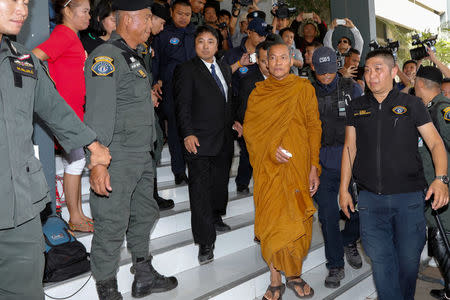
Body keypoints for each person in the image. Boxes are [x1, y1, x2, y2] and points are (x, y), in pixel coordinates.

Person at [0, 0, 111, 298]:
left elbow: (55, 109)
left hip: (19, 213)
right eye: (11, 0)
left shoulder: (21, 60)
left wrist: (93, 145)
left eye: (25, 2)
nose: (22, 9)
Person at [83, 1, 178, 299]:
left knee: (144, 213)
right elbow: (98, 113)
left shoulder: (133, 56)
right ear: (129, 20)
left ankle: (144, 275)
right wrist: (97, 162)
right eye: (148, 18)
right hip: (117, 156)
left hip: (140, 154)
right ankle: (107, 289)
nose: (151, 24)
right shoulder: (106, 57)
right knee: (111, 222)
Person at [340, 49, 449, 300]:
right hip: (370, 202)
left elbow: (435, 143)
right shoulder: (357, 106)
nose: (371, 75)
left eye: (378, 69)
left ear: (392, 71)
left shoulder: (411, 105)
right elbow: (349, 148)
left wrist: (441, 179)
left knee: (409, 264)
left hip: (409, 201)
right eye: (367, 70)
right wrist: (343, 188)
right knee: (381, 264)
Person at [244, 42, 322, 300]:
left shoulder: (303, 88)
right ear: (264, 62)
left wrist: (314, 166)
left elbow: (313, 127)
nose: (277, 63)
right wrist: (269, 150)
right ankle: (275, 278)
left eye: (282, 58)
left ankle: (294, 274)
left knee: (297, 220)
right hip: (269, 171)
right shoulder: (258, 93)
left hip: (298, 167)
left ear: (291, 61)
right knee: (272, 222)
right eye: (271, 58)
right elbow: (251, 134)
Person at [174, 25, 233, 265]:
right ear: (194, 44)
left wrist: (236, 121)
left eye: (211, 41)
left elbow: (229, 99)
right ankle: (205, 242)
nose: (206, 45)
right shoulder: (186, 70)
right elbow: (182, 104)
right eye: (201, 41)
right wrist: (187, 133)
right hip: (197, 140)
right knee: (199, 191)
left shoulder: (225, 68)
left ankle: (216, 217)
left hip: (224, 139)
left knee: (219, 184)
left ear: (218, 46)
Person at [33, 0, 93, 232]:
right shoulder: (64, 35)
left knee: (76, 161)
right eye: (85, 11)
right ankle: (75, 217)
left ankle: (77, 214)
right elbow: (34, 57)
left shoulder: (72, 36)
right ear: (67, 10)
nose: (89, 16)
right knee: (77, 161)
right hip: (67, 112)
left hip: (76, 110)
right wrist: (48, 89)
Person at [310, 47, 363, 289]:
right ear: (313, 69)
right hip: (322, 162)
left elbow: (365, 123)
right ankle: (335, 264)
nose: (326, 76)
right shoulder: (307, 92)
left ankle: (349, 240)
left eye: (330, 71)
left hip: (352, 158)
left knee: (361, 210)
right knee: (328, 214)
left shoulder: (352, 88)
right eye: (321, 72)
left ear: (337, 66)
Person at [414, 66, 450, 300]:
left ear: (419, 83)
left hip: (443, 186)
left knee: (442, 239)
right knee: (439, 239)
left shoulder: (442, 108)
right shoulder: (427, 109)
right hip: (432, 185)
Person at [152, 0, 196, 185]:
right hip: (171, 89)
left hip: (194, 89)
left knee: (194, 129)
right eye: (180, 13)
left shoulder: (196, 34)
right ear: (172, 12)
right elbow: (156, 61)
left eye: (187, 14)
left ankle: (195, 167)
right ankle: (179, 171)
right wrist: (155, 81)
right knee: (176, 131)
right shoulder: (163, 34)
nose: (184, 17)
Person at [223, 17, 268, 194]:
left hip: (260, 110)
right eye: (259, 34)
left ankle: (248, 181)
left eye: (265, 35)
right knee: (245, 149)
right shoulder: (233, 54)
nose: (262, 38)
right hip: (236, 108)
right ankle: (240, 183)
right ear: (248, 32)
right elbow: (221, 78)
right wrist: (239, 64)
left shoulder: (266, 53)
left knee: (253, 149)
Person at [146, 1, 175, 211]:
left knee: (155, 145)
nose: (163, 28)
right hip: (140, 107)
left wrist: (155, 84)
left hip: (150, 101)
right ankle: (149, 195)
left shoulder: (150, 42)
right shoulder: (137, 42)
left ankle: (152, 194)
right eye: (162, 23)